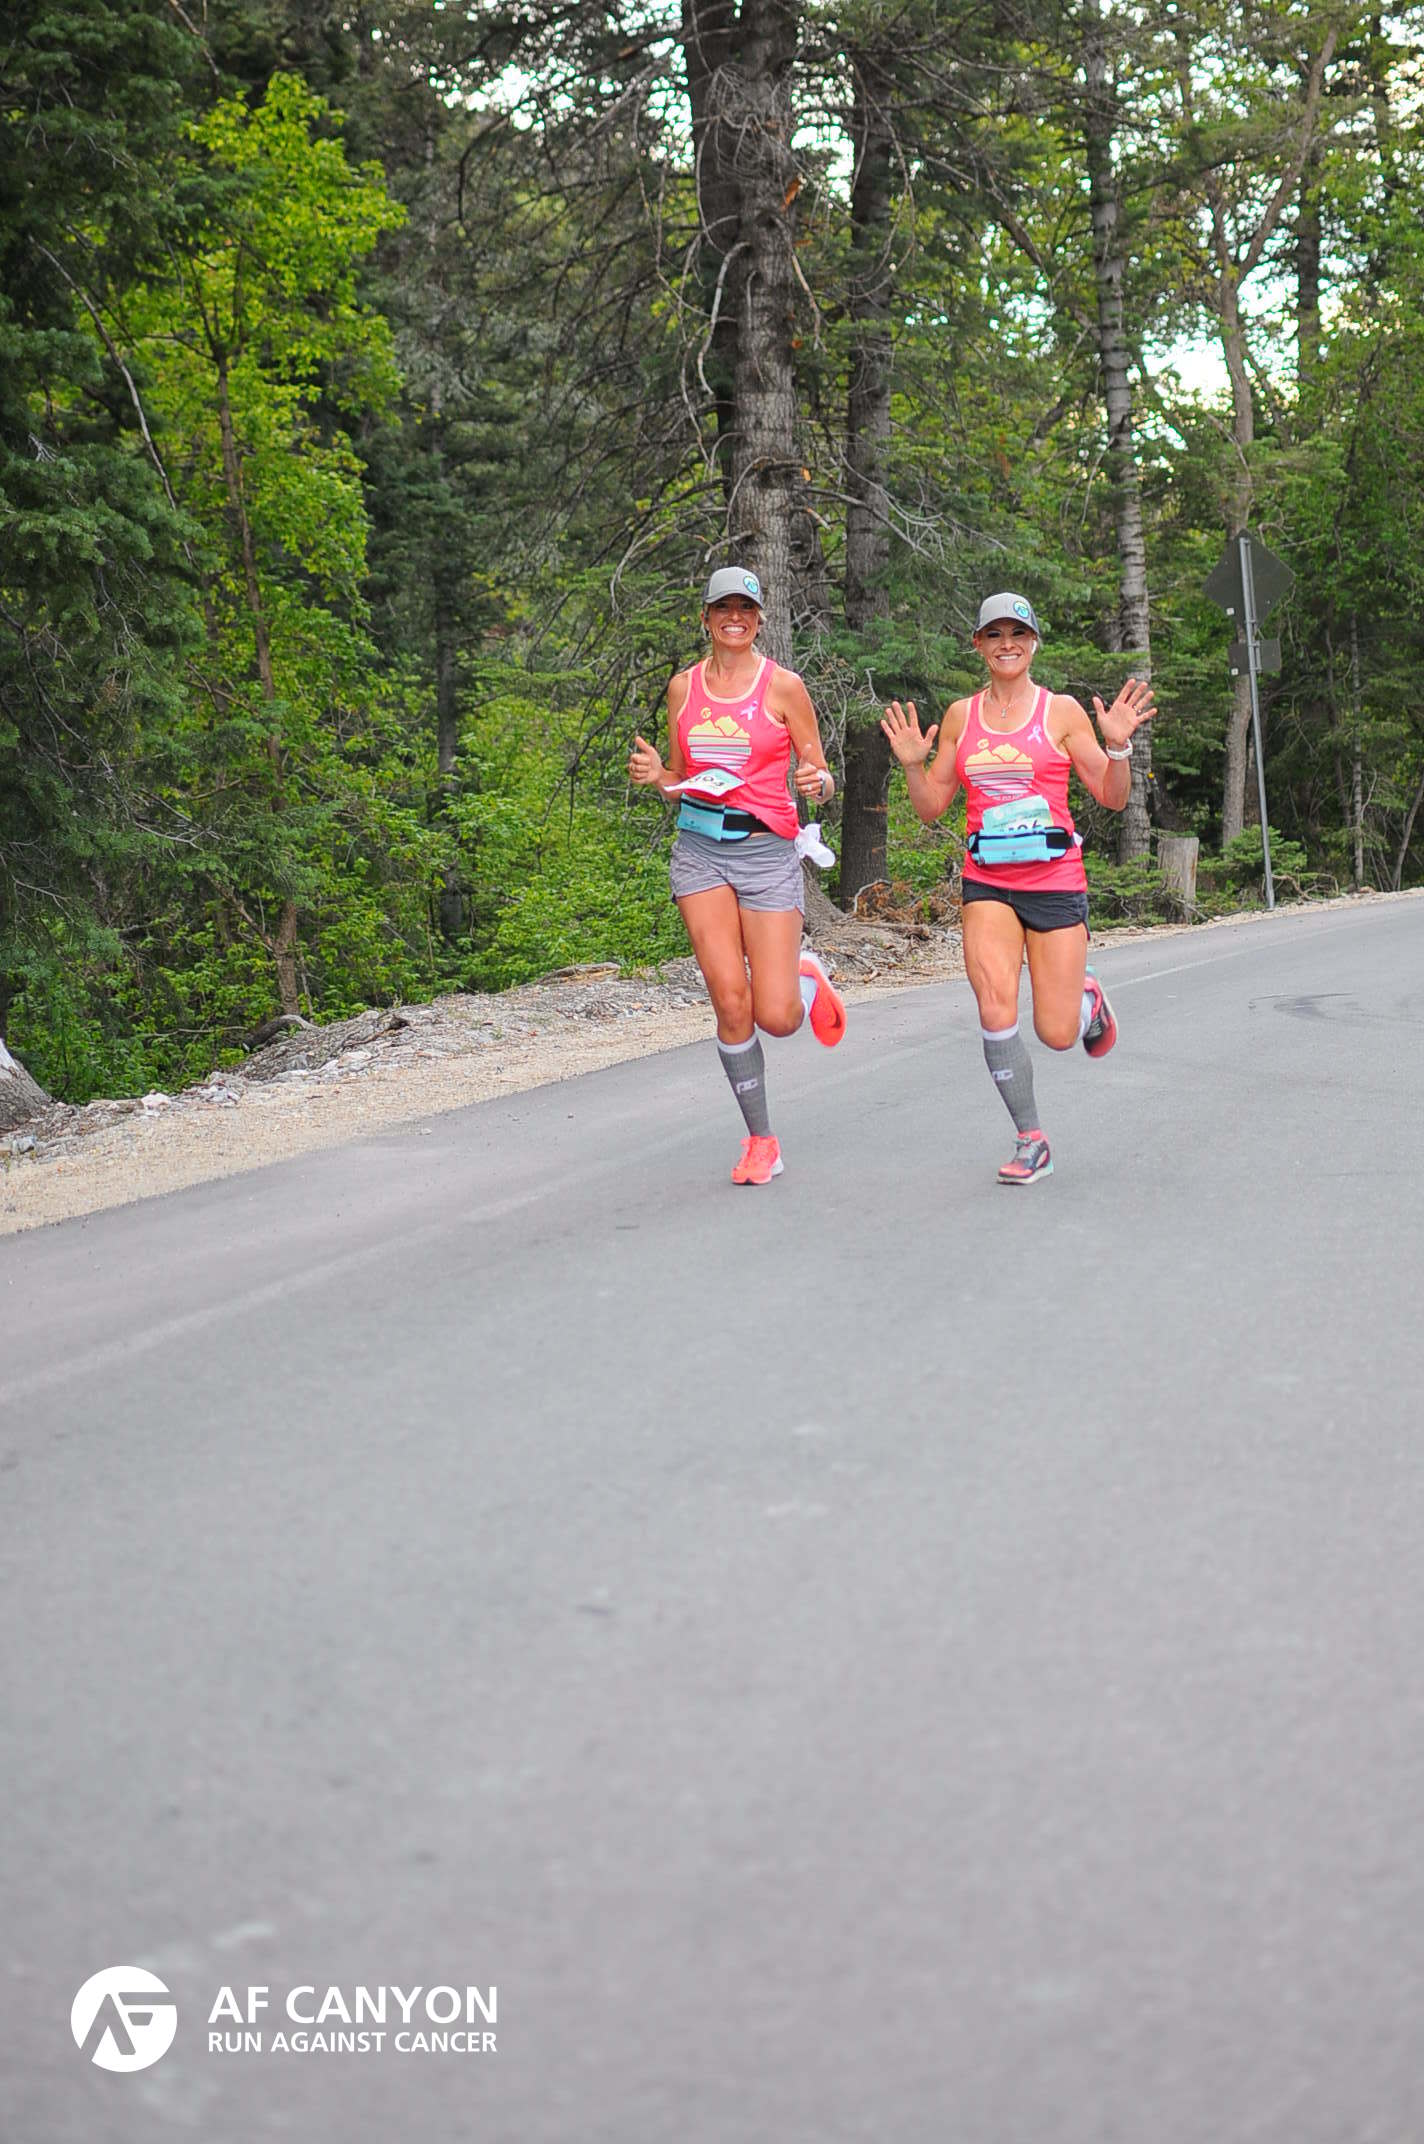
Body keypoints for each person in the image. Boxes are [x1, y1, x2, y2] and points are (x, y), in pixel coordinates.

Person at [881, 591, 1156, 1185]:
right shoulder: (961, 716)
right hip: (988, 881)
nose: (1007, 644)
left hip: (1054, 883)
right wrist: (911, 764)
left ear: (1034, 643)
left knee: (1056, 1033)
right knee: (994, 1006)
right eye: (995, 634)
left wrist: (1117, 747)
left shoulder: (1061, 713)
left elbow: (1112, 797)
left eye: (1018, 634)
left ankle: (1085, 1001)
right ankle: (1031, 1138)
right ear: (978, 645)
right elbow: (931, 807)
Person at [628, 565, 846, 1185]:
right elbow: (678, 777)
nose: (734, 618)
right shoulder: (683, 688)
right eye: (723, 608)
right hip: (699, 851)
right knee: (729, 1000)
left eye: (745, 609)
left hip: (765, 853)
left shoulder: (784, 688)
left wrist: (818, 784)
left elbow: (822, 776)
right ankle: (761, 1140)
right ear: (705, 618)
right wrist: (658, 779)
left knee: (777, 1017)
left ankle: (803, 980)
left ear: (758, 619)